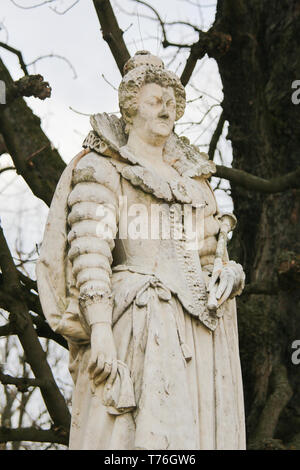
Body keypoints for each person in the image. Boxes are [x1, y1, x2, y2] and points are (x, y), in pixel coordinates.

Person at [37, 51, 246, 450]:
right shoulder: (103, 166)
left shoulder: (193, 180)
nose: (165, 109)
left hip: (203, 333)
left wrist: (230, 274)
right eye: (155, 101)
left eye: (171, 102)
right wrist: (99, 328)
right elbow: (89, 252)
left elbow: (211, 255)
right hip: (142, 322)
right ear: (130, 108)